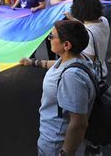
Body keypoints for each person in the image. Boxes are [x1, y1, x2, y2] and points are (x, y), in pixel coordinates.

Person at [19, 20, 96, 156]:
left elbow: (79, 123)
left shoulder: (72, 77)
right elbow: (57, 64)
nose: (48, 39)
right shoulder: (75, 58)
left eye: (51, 36)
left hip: (55, 143)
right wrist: (33, 62)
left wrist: (65, 152)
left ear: (66, 45)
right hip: (52, 137)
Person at [67, 0, 110, 78]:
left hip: (91, 76)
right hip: (102, 70)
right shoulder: (104, 20)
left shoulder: (87, 34)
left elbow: (87, 60)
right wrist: (73, 19)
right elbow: (88, 25)